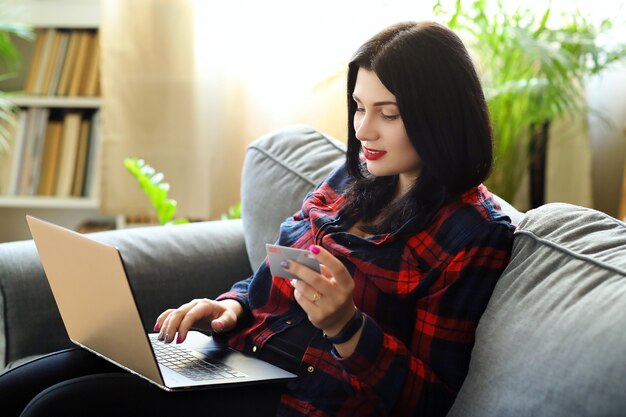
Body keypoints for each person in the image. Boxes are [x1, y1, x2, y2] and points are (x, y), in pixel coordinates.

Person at [0, 21, 514, 417]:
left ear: (439, 115)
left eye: (389, 113)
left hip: (297, 397)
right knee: (20, 385)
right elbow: (268, 280)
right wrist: (227, 307)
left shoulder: (473, 233)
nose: (364, 131)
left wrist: (348, 326)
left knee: (58, 407)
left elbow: (431, 398)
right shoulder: (352, 175)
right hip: (236, 361)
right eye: (359, 107)